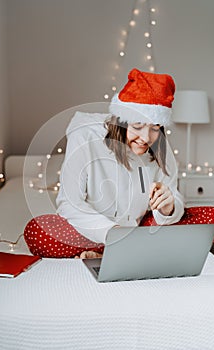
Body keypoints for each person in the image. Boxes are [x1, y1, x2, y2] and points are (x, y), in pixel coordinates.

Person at [55, 68, 184, 257]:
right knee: (38, 231)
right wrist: (113, 233)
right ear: (121, 121)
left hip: (137, 233)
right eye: (138, 126)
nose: (146, 138)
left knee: (211, 216)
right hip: (95, 233)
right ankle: (124, 251)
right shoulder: (85, 137)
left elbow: (173, 197)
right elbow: (69, 204)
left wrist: (168, 208)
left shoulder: (159, 144)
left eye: (155, 128)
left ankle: (119, 252)